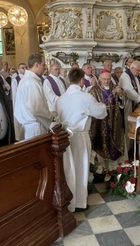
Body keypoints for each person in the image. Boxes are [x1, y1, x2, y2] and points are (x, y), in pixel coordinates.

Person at [57, 68, 107, 211]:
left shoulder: (61, 98)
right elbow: (100, 112)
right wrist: (103, 105)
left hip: (64, 137)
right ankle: (79, 202)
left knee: (69, 170)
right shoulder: (85, 97)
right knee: (81, 168)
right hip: (80, 137)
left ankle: (70, 202)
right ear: (81, 80)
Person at [90, 69, 126, 171]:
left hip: (115, 119)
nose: (106, 81)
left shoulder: (115, 87)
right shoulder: (94, 90)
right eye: (104, 79)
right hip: (101, 122)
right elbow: (93, 106)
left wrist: (120, 94)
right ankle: (104, 168)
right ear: (99, 79)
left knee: (114, 141)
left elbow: (123, 99)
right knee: (102, 143)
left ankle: (115, 167)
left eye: (108, 79)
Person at [14, 53, 53, 140]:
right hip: (35, 129)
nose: (45, 67)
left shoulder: (26, 80)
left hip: (31, 127)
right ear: (36, 65)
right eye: (43, 65)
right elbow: (37, 109)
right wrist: (51, 116)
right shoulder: (31, 82)